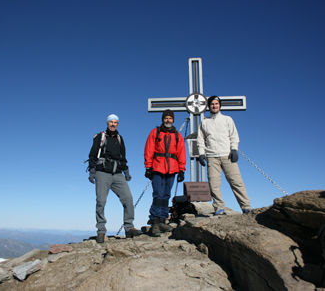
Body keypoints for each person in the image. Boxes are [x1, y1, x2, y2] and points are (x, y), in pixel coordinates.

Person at [88, 114, 142, 243]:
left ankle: (129, 228)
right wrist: (92, 171)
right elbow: (92, 155)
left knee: (128, 199)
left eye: (115, 122)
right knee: (101, 201)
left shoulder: (119, 138)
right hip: (102, 172)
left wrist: (126, 171)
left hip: (117, 173)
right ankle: (101, 231)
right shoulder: (100, 137)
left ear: (118, 124)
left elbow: (123, 157)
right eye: (111, 122)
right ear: (107, 123)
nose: (113, 124)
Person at [196, 95, 252, 215]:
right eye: (212, 104)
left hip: (227, 155)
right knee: (214, 184)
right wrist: (201, 154)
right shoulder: (205, 122)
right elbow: (200, 139)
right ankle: (218, 207)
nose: (214, 106)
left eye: (216, 104)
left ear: (220, 106)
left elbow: (233, 135)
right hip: (212, 157)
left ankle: (246, 206)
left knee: (236, 182)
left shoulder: (227, 119)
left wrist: (234, 149)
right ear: (208, 107)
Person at [144, 109, 186, 237]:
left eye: (170, 118)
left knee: (166, 194)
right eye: (166, 118)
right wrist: (148, 167)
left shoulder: (177, 136)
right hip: (157, 167)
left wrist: (181, 170)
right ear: (163, 119)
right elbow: (149, 149)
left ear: (173, 120)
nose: (168, 120)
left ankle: (162, 219)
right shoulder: (155, 132)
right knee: (158, 194)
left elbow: (181, 153)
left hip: (172, 169)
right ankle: (155, 220)